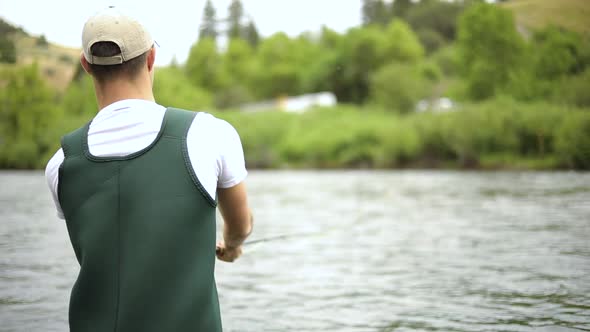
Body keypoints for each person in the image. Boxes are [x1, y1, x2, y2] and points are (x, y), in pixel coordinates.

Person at [44, 7, 253, 332]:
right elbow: (240, 224)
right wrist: (233, 244)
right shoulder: (210, 134)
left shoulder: (60, 164)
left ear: (86, 66)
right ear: (151, 57)